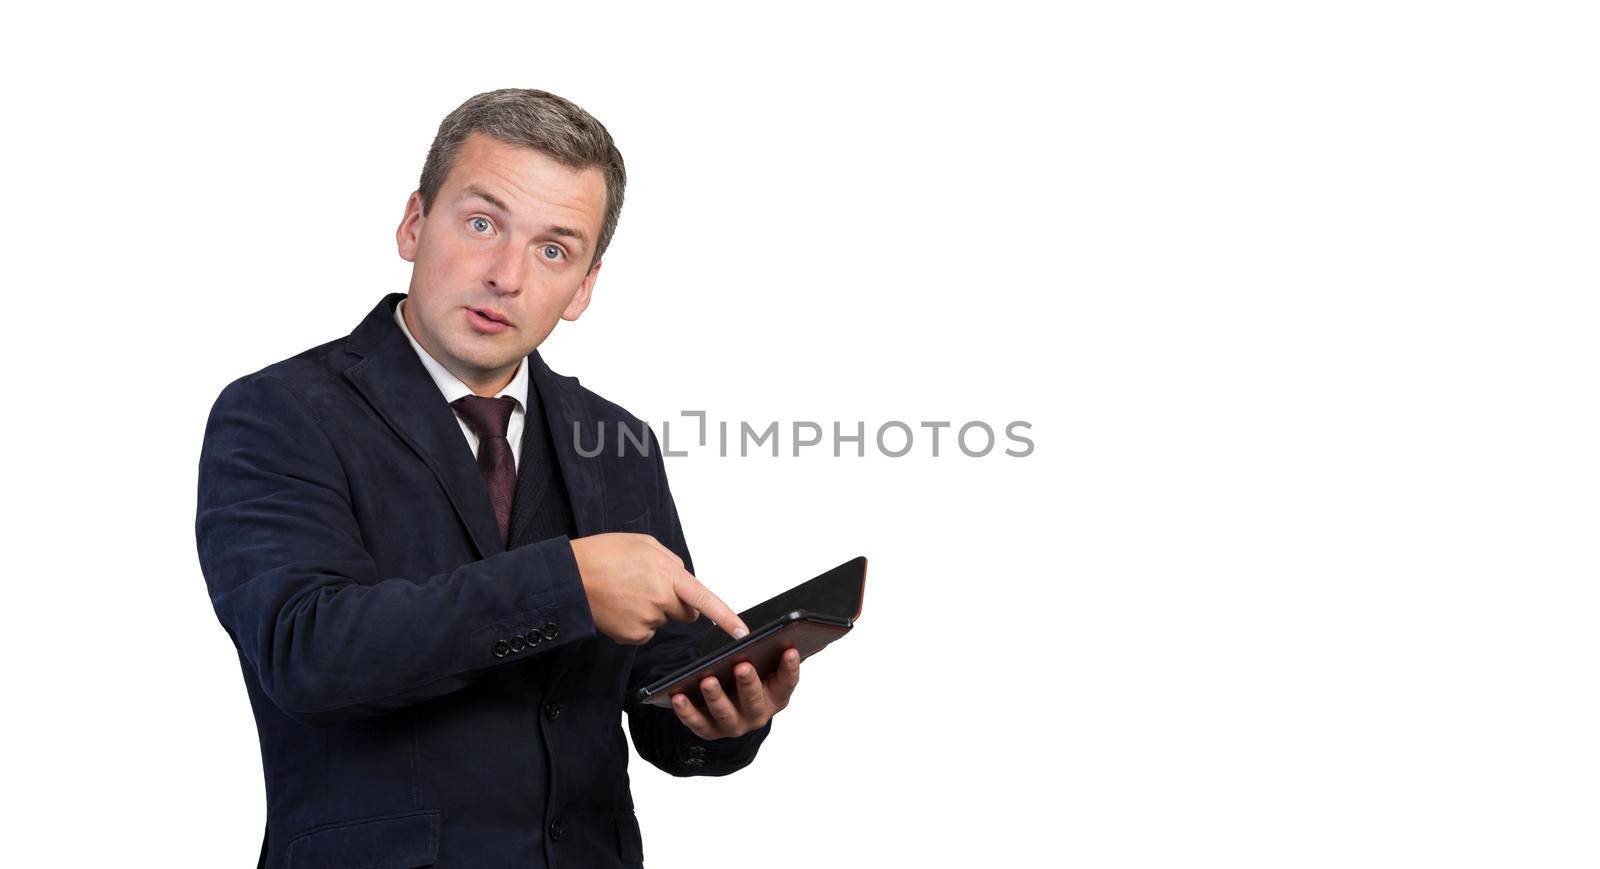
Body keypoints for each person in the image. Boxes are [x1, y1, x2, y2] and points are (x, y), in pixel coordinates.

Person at [195, 88, 802, 869]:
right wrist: (569, 585)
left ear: (583, 286)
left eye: (554, 249)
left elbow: (663, 712)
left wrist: (724, 718)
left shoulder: (618, 442)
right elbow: (307, 654)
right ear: (415, 223)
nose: (506, 274)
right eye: (481, 224)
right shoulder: (277, 412)